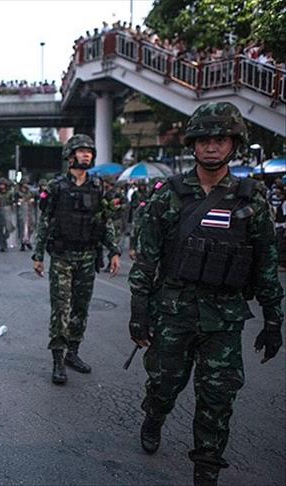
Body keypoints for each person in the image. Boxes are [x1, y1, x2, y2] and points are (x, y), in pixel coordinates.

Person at [128, 102, 283, 486]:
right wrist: (139, 311)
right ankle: (155, 416)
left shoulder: (251, 199)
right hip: (173, 313)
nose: (212, 147)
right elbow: (146, 259)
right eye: (204, 140)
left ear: (234, 144)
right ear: (193, 144)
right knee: (164, 385)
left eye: (221, 139)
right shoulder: (169, 196)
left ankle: (207, 467)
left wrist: (273, 318)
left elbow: (265, 262)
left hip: (224, 318)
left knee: (218, 399)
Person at [32, 134, 121, 385]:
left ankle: (73, 352)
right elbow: (45, 222)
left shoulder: (98, 186)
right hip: (62, 256)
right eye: (81, 151)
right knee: (61, 308)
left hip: (87, 256)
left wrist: (114, 250)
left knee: (81, 308)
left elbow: (105, 221)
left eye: (89, 151)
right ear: (70, 156)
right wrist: (38, 255)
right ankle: (58, 359)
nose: (86, 155)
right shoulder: (56, 186)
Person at [0, 178, 15, 252]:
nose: (2, 186)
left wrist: (13, 205)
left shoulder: (10, 193)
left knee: (8, 227)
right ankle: (2, 245)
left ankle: (4, 238)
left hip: (7, 209)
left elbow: (12, 201)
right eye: (0, 185)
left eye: (3, 185)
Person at [15, 181, 36, 251]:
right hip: (22, 211)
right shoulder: (18, 193)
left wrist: (32, 200)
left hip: (30, 211)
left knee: (31, 227)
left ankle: (27, 240)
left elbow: (37, 197)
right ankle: (23, 243)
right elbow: (16, 201)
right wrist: (19, 202)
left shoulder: (30, 193)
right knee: (23, 228)